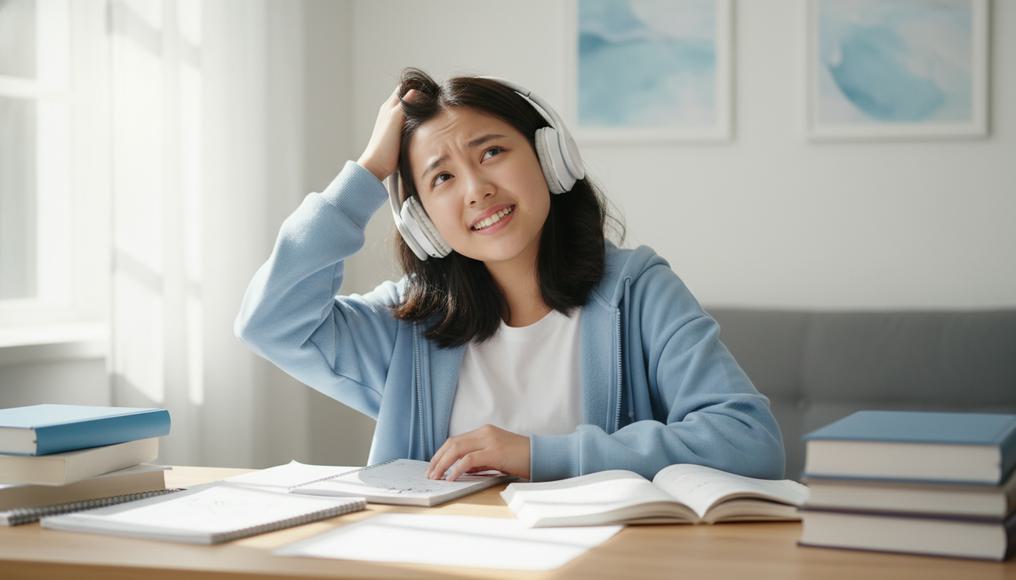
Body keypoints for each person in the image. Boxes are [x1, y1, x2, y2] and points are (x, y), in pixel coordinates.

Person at [234, 68, 785, 482]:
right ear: (423, 222)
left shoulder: (638, 290)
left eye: (492, 151)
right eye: (442, 177)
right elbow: (270, 323)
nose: (476, 189)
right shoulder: (410, 323)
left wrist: (537, 454)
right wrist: (367, 173)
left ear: (550, 158)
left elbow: (748, 441)